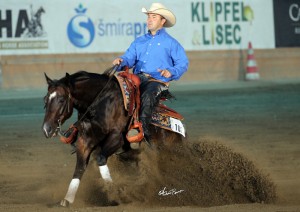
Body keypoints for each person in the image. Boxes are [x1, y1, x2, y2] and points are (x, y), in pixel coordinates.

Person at [113, 3, 189, 146]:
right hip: (137, 78)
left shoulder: (171, 43)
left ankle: (143, 131)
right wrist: (122, 61)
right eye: (148, 16)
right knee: (114, 89)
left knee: (147, 96)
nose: (149, 19)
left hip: (157, 81)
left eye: (154, 17)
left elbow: (182, 63)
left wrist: (171, 71)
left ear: (163, 21)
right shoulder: (139, 41)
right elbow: (129, 57)